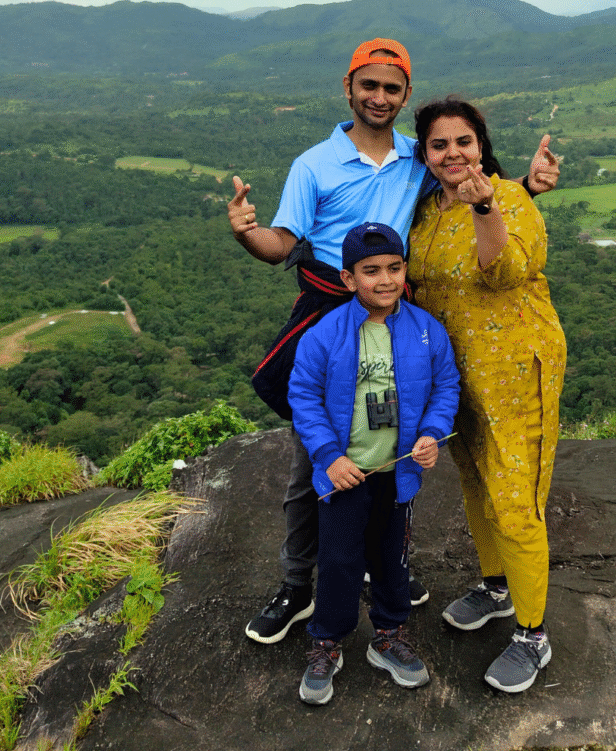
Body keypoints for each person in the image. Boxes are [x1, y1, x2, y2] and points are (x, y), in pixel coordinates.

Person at [228, 38, 559, 646]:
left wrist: (527, 189)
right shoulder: (315, 164)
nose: (379, 97)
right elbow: (283, 241)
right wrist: (249, 236)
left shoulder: (416, 157)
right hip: (334, 307)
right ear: (349, 88)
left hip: (396, 310)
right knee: (318, 458)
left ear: (405, 96)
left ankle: (388, 572)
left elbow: (472, 194)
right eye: (369, 86)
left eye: (391, 88)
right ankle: (298, 586)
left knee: (395, 443)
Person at [407, 96, 567, 695]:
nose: (453, 154)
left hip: (517, 370)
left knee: (515, 498)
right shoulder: (425, 211)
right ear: (425, 154)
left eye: (463, 142)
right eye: (439, 145)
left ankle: (533, 635)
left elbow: (504, 271)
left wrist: (486, 206)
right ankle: (497, 587)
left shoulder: (511, 200)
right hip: (457, 375)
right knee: (476, 481)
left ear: (482, 145)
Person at [289, 222, 459, 705]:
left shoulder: (427, 331)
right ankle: (327, 641)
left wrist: (431, 434)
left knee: (393, 560)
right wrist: (328, 456)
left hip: (397, 473)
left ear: (405, 269)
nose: (384, 280)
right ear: (348, 280)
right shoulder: (326, 334)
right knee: (339, 561)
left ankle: (388, 637)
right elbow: (303, 395)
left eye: (394, 268)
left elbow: (446, 386)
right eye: (370, 271)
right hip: (345, 475)